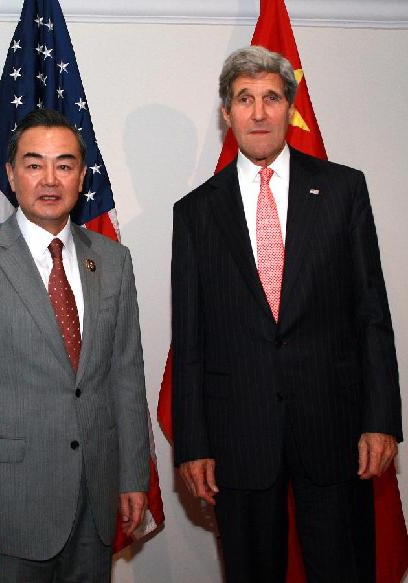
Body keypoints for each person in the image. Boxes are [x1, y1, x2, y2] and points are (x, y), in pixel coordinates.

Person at [171, 46, 402, 582]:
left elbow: (372, 314)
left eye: (271, 98)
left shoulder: (344, 190)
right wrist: (194, 443)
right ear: (226, 113)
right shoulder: (196, 212)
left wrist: (381, 420)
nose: (258, 112)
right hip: (239, 435)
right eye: (244, 99)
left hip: (336, 429)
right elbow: (191, 340)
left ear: (289, 109)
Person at [0, 108, 150, 582]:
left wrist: (134, 477)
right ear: (10, 174)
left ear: (81, 176)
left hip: (96, 500)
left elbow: (126, 378)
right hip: (8, 507)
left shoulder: (114, 261)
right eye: (34, 164)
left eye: (64, 165)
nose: (50, 179)